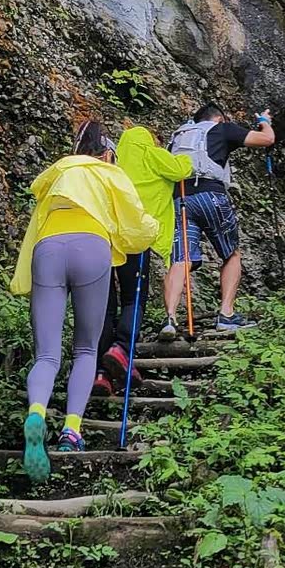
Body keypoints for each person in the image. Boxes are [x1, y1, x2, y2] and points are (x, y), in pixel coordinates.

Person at [10, 120, 158, 484]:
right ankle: (71, 432)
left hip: (48, 247)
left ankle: (37, 413)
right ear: (107, 153)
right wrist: (152, 229)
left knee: (46, 354)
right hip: (91, 246)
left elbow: (36, 222)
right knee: (85, 349)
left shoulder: (58, 172)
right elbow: (136, 227)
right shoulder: (109, 173)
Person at [92, 126, 192, 397]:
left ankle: (101, 373)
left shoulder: (113, 164)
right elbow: (182, 168)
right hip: (137, 236)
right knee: (133, 300)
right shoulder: (152, 154)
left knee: (106, 307)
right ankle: (122, 348)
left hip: (105, 238)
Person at [160, 103, 275, 337]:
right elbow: (267, 139)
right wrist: (264, 121)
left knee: (180, 259)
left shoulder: (178, 138)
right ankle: (226, 314)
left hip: (180, 199)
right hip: (211, 195)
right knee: (231, 254)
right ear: (219, 118)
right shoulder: (221, 129)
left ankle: (170, 319)